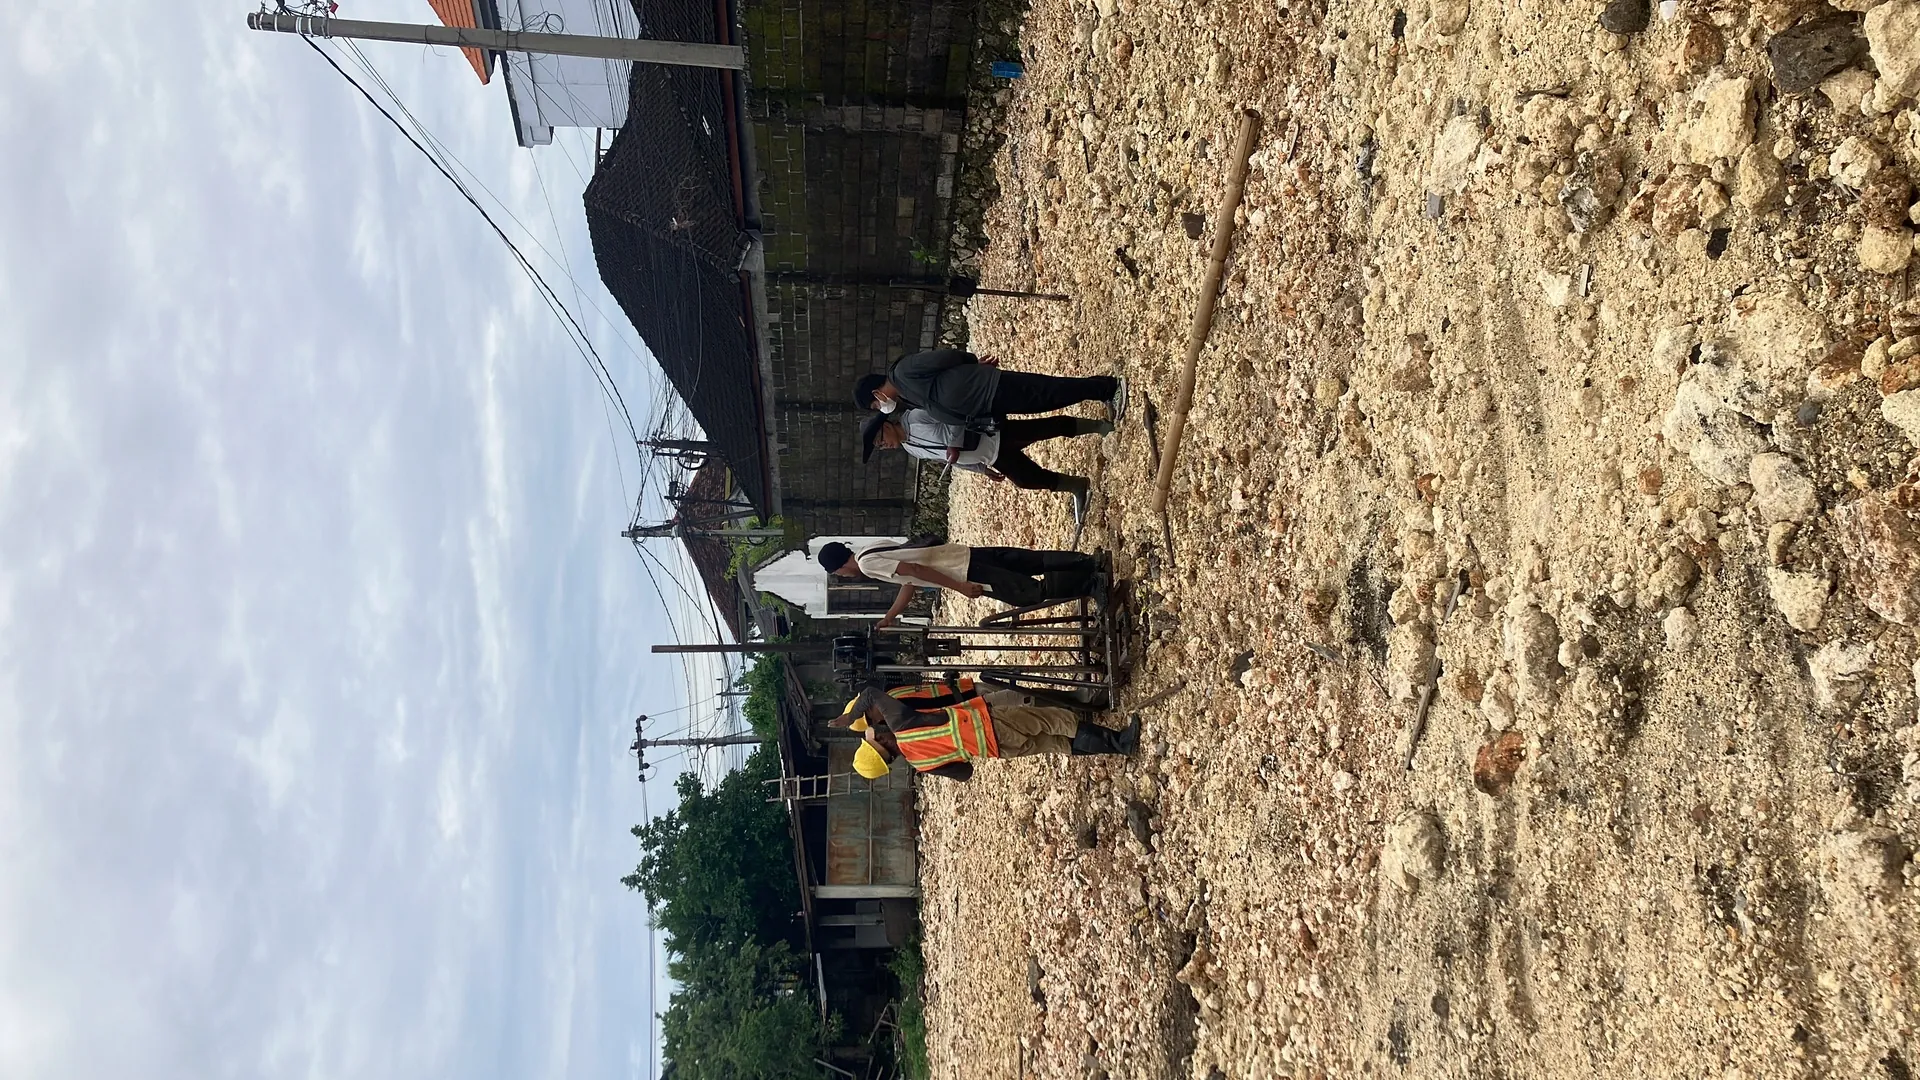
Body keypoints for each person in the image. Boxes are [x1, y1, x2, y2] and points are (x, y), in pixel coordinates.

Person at [836, 679, 1139, 782]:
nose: (880, 730)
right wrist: (850, 716)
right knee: (1058, 721)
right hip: (990, 723)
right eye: (878, 735)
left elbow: (964, 773)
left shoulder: (921, 764)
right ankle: (1120, 742)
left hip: (994, 750)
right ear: (882, 741)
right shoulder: (902, 725)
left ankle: (1118, 747)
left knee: (1057, 743)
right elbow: (871, 693)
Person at [860, 407, 1112, 524]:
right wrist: (981, 469)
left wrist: (954, 443)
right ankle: (1077, 486)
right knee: (1026, 479)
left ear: (886, 426)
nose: (885, 446)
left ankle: (1098, 426)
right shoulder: (910, 448)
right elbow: (947, 460)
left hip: (992, 434)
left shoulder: (915, 417)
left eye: (881, 441)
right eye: (880, 447)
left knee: (1044, 428)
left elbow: (953, 415)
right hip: (989, 456)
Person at [817, 539, 1105, 627]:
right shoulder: (870, 550)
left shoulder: (868, 565)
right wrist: (891, 616)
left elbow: (914, 569)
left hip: (962, 570)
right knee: (1028, 561)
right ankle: (1089, 562)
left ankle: (1091, 584)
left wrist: (959, 586)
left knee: (1027, 593)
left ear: (840, 567)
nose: (843, 577)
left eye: (839, 574)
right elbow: (910, 580)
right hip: (960, 554)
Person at [852, 349, 1127, 431]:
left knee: (1047, 391)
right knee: (1045, 400)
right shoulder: (905, 394)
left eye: (876, 405)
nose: (882, 408)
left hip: (987, 387)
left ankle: (1107, 387)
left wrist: (973, 363)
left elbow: (944, 358)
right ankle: (1099, 389)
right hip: (985, 403)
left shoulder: (903, 371)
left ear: (876, 394)